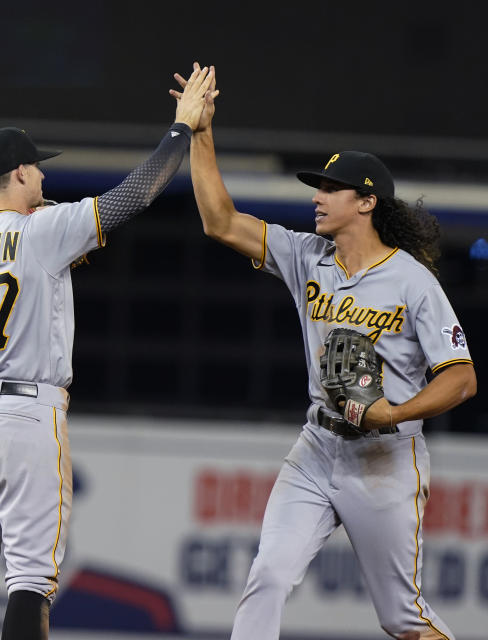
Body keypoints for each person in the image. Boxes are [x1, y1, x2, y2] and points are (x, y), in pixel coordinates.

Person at [0, 65, 214, 639]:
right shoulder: (45, 231)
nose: (43, 176)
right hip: (26, 414)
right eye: (37, 168)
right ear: (19, 171)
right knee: (30, 580)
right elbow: (136, 194)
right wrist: (180, 130)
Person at [174, 64, 476, 640]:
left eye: (331, 189)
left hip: (386, 457)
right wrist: (201, 133)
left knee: (402, 619)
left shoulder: (413, 281)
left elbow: (461, 379)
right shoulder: (306, 255)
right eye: (319, 187)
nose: (318, 197)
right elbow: (220, 221)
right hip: (317, 445)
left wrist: (392, 412)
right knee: (267, 575)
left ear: (366, 203)